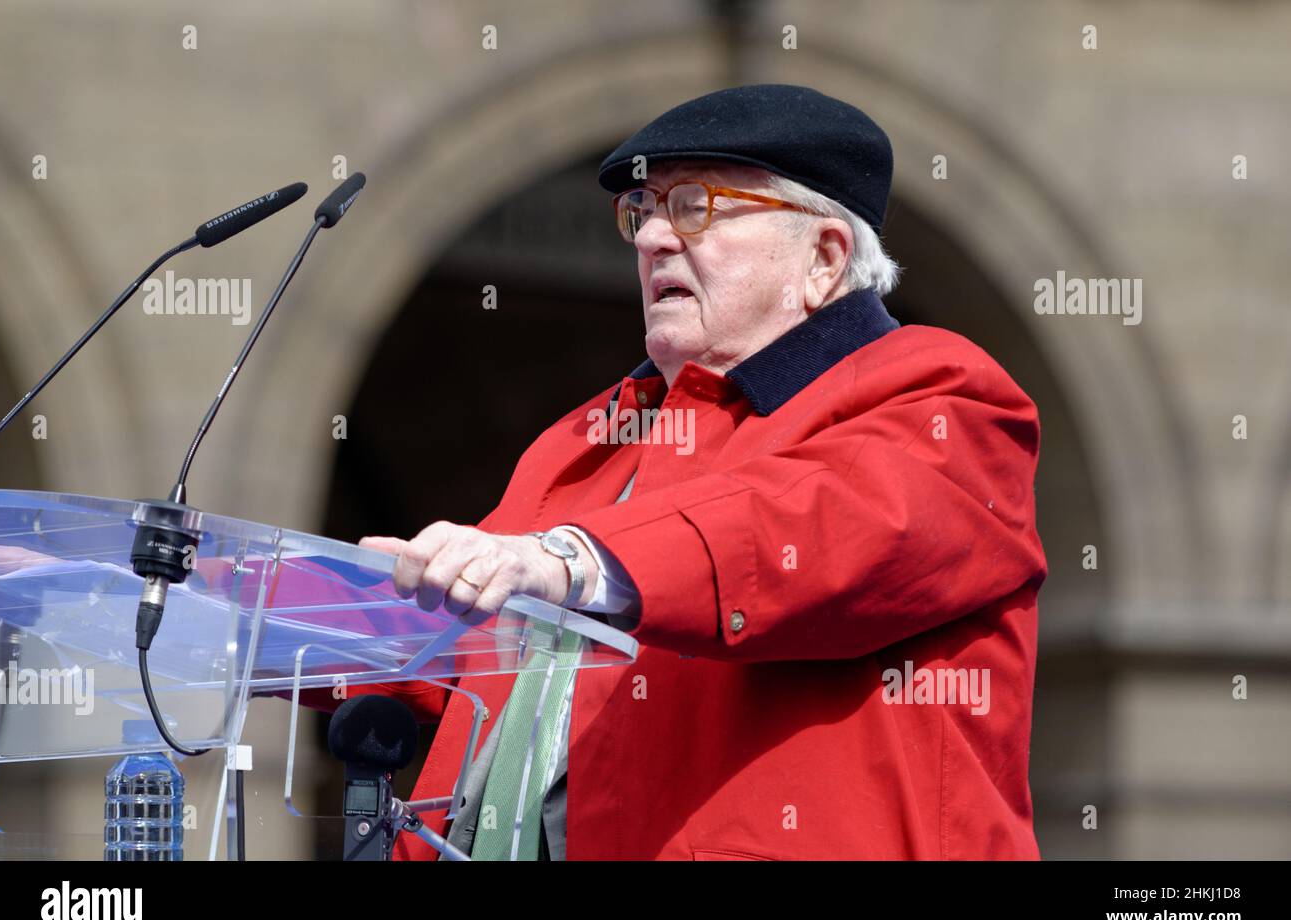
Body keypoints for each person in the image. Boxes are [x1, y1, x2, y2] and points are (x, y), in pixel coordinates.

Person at [351, 84, 1047, 860]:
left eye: (694, 207)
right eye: (643, 211)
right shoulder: (586, 439)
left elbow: (803, 530)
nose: (651, 238)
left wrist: (573, 560)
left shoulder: (943, 395)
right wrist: (315, 612)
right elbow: (476, 652)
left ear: (822, 258)